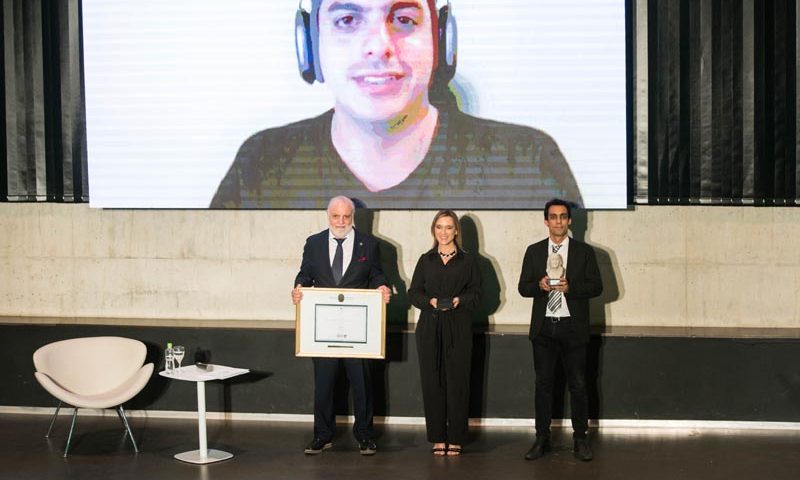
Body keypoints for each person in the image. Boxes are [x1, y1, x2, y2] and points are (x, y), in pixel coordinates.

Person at [210, 0, 582, 209]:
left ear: (442, 41)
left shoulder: (525, 162)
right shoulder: (261, 163)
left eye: (404, 19)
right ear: (310, 44)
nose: (379, 46)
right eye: (347, 19)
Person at [291, 195, 392, 455]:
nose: (341, 221)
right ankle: (322, 435)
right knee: (323, 384)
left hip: (357, 330)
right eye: (336, 216)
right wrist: (298, 287)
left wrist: (383, 286)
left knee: (362, 385)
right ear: (328, 216)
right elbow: (305, 273)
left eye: (346, 216)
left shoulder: (369, 245)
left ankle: (365, 436)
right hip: (323, 329)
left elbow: (377, 274)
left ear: (353, 216)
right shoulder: (313, 244)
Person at [517, 198, 603, 462]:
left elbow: (597, 287)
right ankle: (541, 438)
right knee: (543, 385)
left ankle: (580, 439)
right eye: (553, 217)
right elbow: (523, 288)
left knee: (578, 385)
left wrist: (571, 288)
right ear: (546, 221)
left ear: (569, 221)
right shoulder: (533, 251)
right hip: (544, 329)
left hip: (572, 328)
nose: (558, 221)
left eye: (563, 216)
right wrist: (540, 286)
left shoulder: (584, 252)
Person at [408, 210, 481, 456]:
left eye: (449, 227)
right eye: (439, 227)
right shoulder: (425, 260)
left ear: (456, 231)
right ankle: (438, 437)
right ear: (433, 230)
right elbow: (414, 292)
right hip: (430, 326)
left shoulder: (468, 260)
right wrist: (429, 301)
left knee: (458, 382)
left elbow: (478, 294)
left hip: (459, 326)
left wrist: (461, 299)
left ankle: (457, 437)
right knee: (433, 382)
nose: (444, 232)